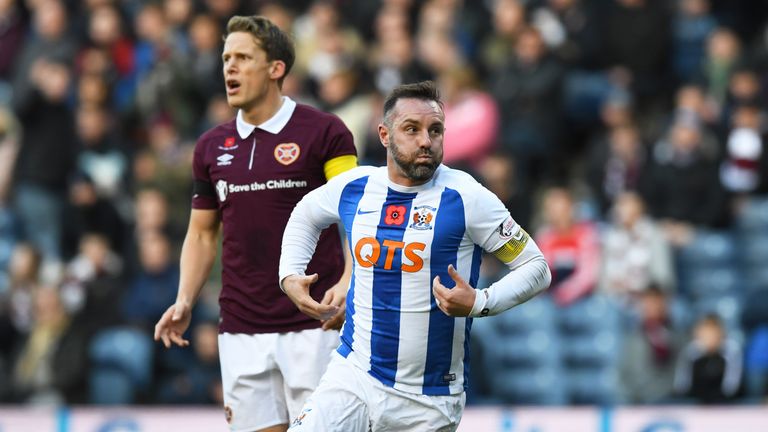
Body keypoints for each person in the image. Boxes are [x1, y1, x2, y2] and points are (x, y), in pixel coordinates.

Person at [279, 81, 551, 431]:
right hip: (354, 376)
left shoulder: (468, 197)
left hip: (429, 400)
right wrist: (290, 274)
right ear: (384, 135)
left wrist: (481, 301)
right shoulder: (356, 187)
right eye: (412, 129)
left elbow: (536, 266)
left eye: (435, 130)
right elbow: (306, 214)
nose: (426, 140)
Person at [153, 15, 357, 432]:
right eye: (226, 57)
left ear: (275, 68)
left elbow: (357, 214)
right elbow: (201, 232)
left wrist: (351, 277)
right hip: (241, 327)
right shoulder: (211, 146)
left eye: (243, 57)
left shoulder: (326, 132)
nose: (229, 67)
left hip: (315, 322)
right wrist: (185, 299)